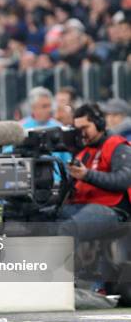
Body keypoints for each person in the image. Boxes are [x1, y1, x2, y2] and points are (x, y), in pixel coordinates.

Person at [58, 103, 131, 240]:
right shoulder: (82, 152)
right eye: (77, 129)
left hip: (112, 209)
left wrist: (87, 175)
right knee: (43, 220)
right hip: (82, 205)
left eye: (85, 127)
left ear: (100, 124)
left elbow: (124, 180)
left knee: (68, 229)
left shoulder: (117, 145)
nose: (82, 134)